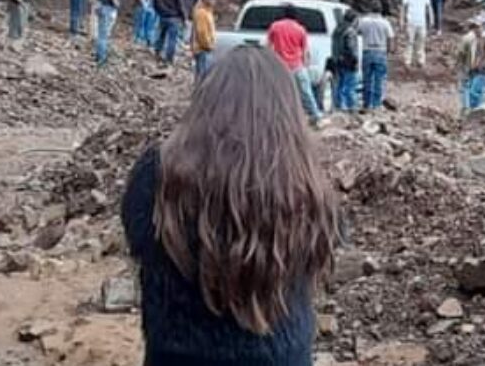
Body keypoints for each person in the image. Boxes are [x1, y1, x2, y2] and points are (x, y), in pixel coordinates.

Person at [121, 47, 338, 365]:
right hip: (281, 355)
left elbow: (138, 240)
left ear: (204, 103)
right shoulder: (305, 181)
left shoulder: (158, 172)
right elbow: (321, 251)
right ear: (288, 110)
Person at [268, 7, 322, 125]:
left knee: (279, 93)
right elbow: (305, 51)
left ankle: (279, 117)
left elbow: (269, 46)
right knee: (306, 92)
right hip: (297, 66)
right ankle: (315, 115)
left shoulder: (275, 27)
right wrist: (306, 65)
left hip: (280, 66)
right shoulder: (300, 29)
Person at [355, 3, 394, 111]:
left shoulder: (363, 21)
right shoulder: (385, 23)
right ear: (381, 10)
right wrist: (389, 51)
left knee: (366, 79)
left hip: (367, 50)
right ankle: (376, 104)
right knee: (379, 79)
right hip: (380, 51)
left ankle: (366, 104)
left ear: (370, 9)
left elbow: (357, 32)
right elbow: (391, 38)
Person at [328, 15, 361, 112]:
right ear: (354, 20)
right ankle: (350, 106)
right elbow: (351, 47)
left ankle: (339, 105)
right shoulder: (350, 31)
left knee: (340, 85)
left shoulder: (337, 30)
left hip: (338, 60)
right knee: (350, 85)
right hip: (349, 61)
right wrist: (355, 59)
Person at [154, 0, 189, 64]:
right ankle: (169, 58)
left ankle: (157, 53)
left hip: (162, 17)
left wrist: (159, 13)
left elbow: (154, 4)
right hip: (174, 18)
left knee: (161, 36)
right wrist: (185, 19)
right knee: (172, 39)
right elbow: (181, 7)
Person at [457, 21, 485, 112]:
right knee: (471, 88)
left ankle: (474, 109)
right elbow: (462, 53)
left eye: (478, 27)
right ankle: (470, 108)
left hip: (479, 68)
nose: (477, 30)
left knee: (474, 90)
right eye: (475, 28)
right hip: (471, 67)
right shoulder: (471, 39)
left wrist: (481, 65)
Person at [401, 0, 434, 69]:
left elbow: (429, 7)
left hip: (422, 22)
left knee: (421, 42)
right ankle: (407, 61)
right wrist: (401, 20)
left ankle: (421, 61)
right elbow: (403, 7)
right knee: (409, 42)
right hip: (411, 22)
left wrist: (431, 19)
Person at [192, 0, 218, 81]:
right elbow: (202, 32)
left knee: (204, 74)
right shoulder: (202, 13)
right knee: (203, 76)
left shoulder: (207, 11)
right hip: (203, 49)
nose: (214, 1)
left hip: (205, 49)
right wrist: (208, 45)